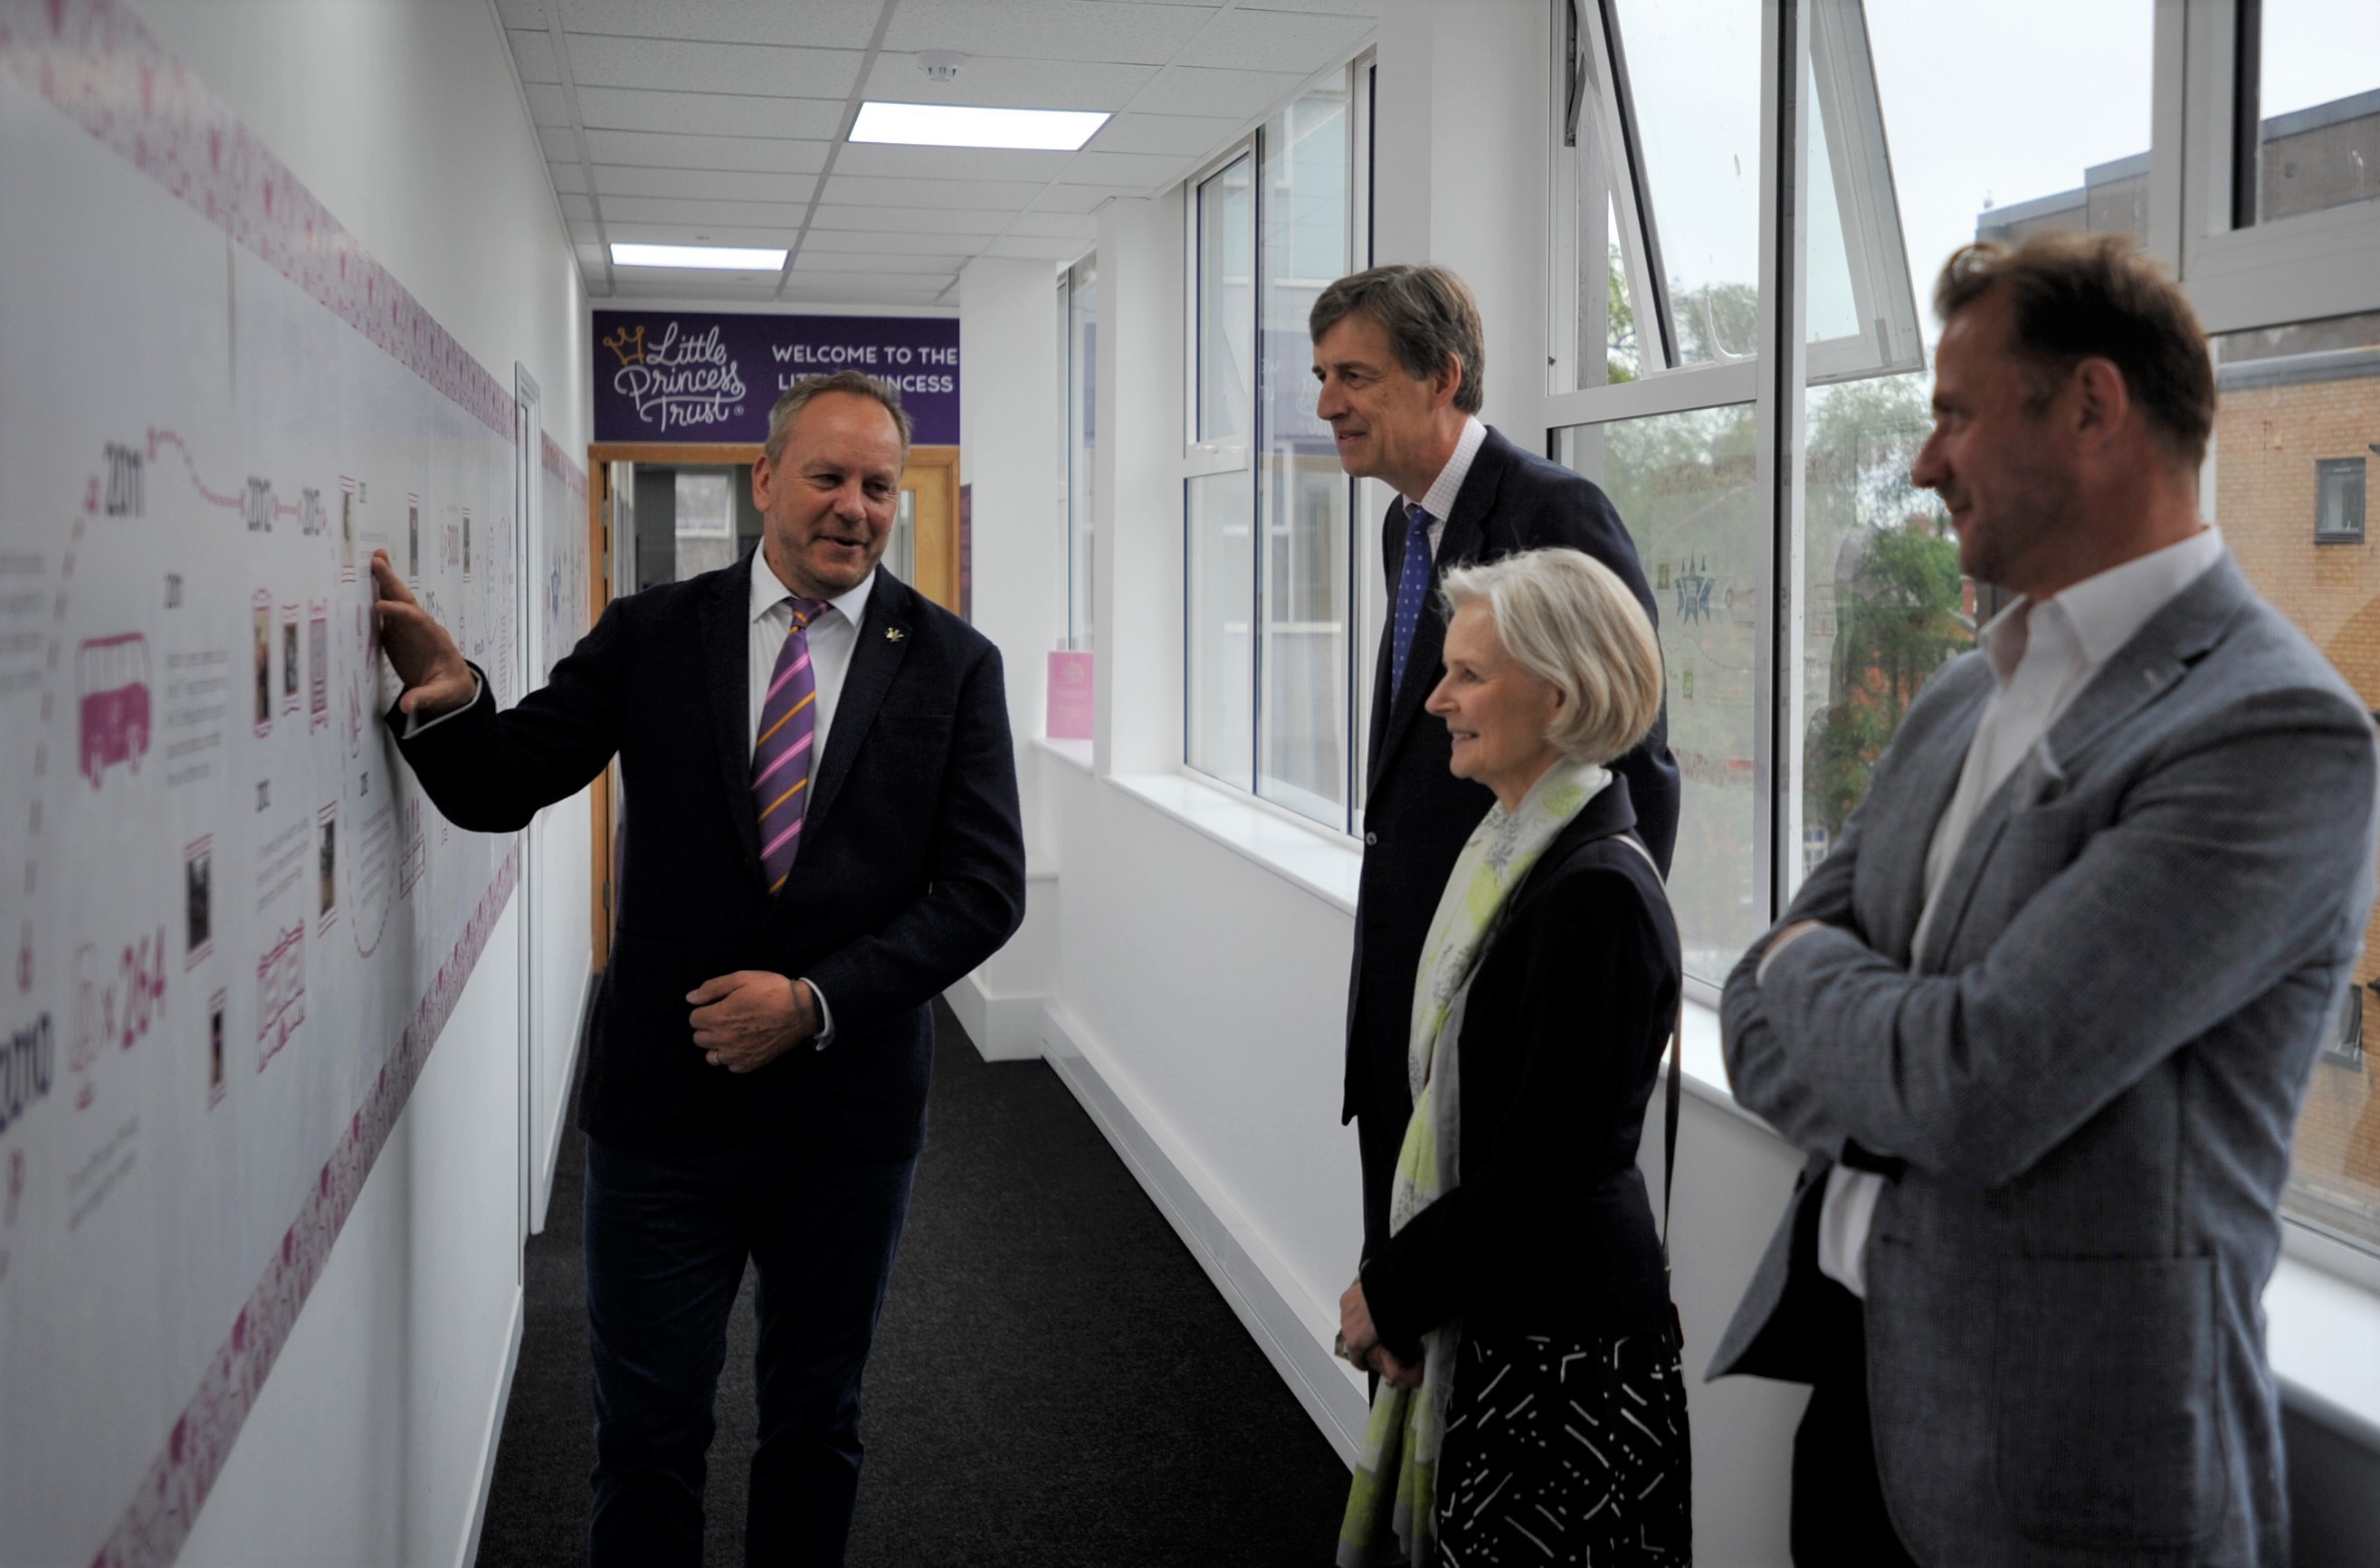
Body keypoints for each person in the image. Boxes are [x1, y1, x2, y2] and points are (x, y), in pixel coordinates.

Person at [1709, 233, 2379, 1567]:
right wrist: (1845, 1014)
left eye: (1952, 414)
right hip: (1855, 1398)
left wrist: (1808, 968)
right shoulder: (1968, 689)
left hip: (2065, 1479)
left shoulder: (2270, 729)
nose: (1922, 463)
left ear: (2089, 405)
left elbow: (1976, 1083)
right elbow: (1746, 1010)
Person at [372, 371, 1026, 1567]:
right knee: (648, 1436)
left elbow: (982, 894)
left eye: (878, 486)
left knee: (815, 1427)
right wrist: (450, 689)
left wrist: (815, 1003)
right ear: (765, 478)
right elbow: (502, 779)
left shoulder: (950, 664)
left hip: (847, 1123)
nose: (855, 507)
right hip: (662, 1120)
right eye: (827, 476)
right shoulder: (654, 634)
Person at [1311, 263, 1681, 1274]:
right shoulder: (1404, 523)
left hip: (1505, 1011)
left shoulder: (1554, 511)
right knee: (1403, 1305)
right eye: (1321, 374)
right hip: (1413, 986)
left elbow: (1636, 762)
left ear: (1442, 377)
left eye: (1355, 375)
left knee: (1473, 1311)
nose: (1326, 402)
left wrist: (1590, 978)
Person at [1336, 548, 1690, 1567]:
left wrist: (1391, 1287)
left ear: (1561, 693)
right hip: (1511, 1321)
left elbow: (1546, 1168)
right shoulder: (1516, 849)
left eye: (1468, 675)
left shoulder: (1594, 894)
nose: (1437, 698)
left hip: (1561, 1361)